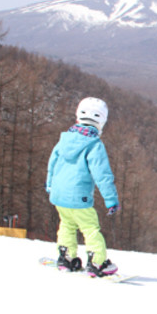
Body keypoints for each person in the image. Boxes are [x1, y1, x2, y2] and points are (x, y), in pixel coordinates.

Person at [47, 97, 120, 278]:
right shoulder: (94, 145)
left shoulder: (64, 139)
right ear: (101, 121)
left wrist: (50, 185)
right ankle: (97, 263)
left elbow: (52, 163)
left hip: (59, 195)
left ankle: (66, 258)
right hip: (79, 197)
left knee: (67, 224)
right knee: (90, 228)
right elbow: (102, 175)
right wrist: (111, 200)